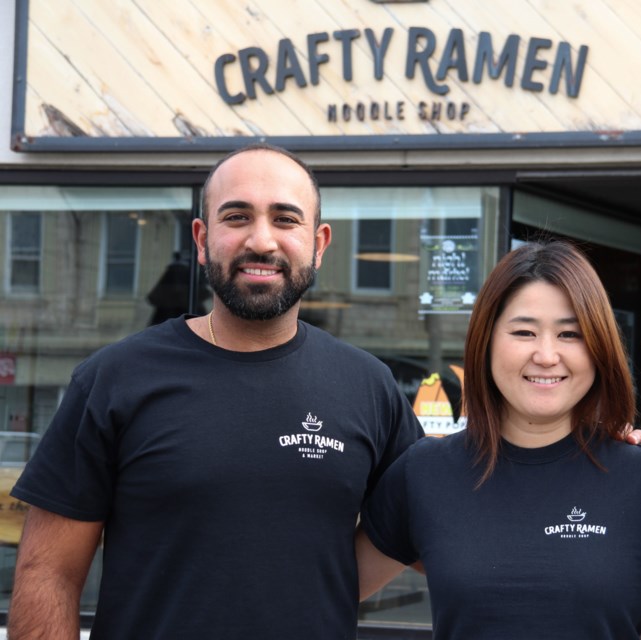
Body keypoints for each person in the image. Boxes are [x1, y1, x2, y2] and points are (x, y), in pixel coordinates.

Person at [7, 143, 424, 639]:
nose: (262, 241)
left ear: (319, 243)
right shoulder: (115, 379)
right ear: (202, 239)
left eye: (286, 219)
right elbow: (47, 574)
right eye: (237, 216)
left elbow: (428, 533)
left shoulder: (367, 386)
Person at [356, 240, 641, 639]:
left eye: (570, 334)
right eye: (523, 331)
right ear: (486, 341)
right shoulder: (424, 472)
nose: (547, 355)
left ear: (599, 348)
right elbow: (325, 590)